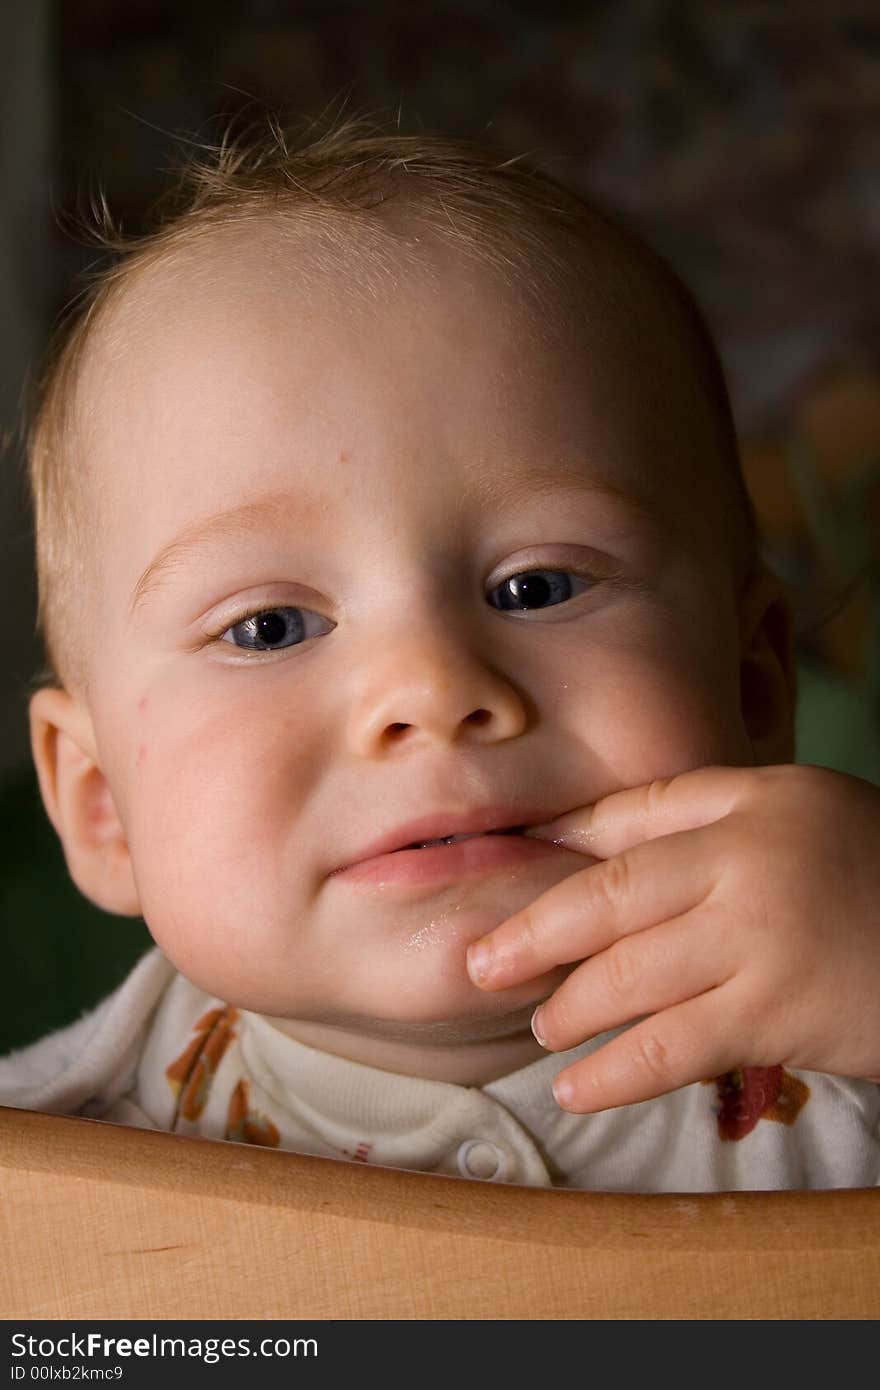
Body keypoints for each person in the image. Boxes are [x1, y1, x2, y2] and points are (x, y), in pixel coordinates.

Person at [2, 113, 878, 1191]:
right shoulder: (44, 1181)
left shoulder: (854, 1032)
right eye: (268, 626)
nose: (430, 689)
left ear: (754, 687)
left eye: (536, 587)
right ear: (100, 805)